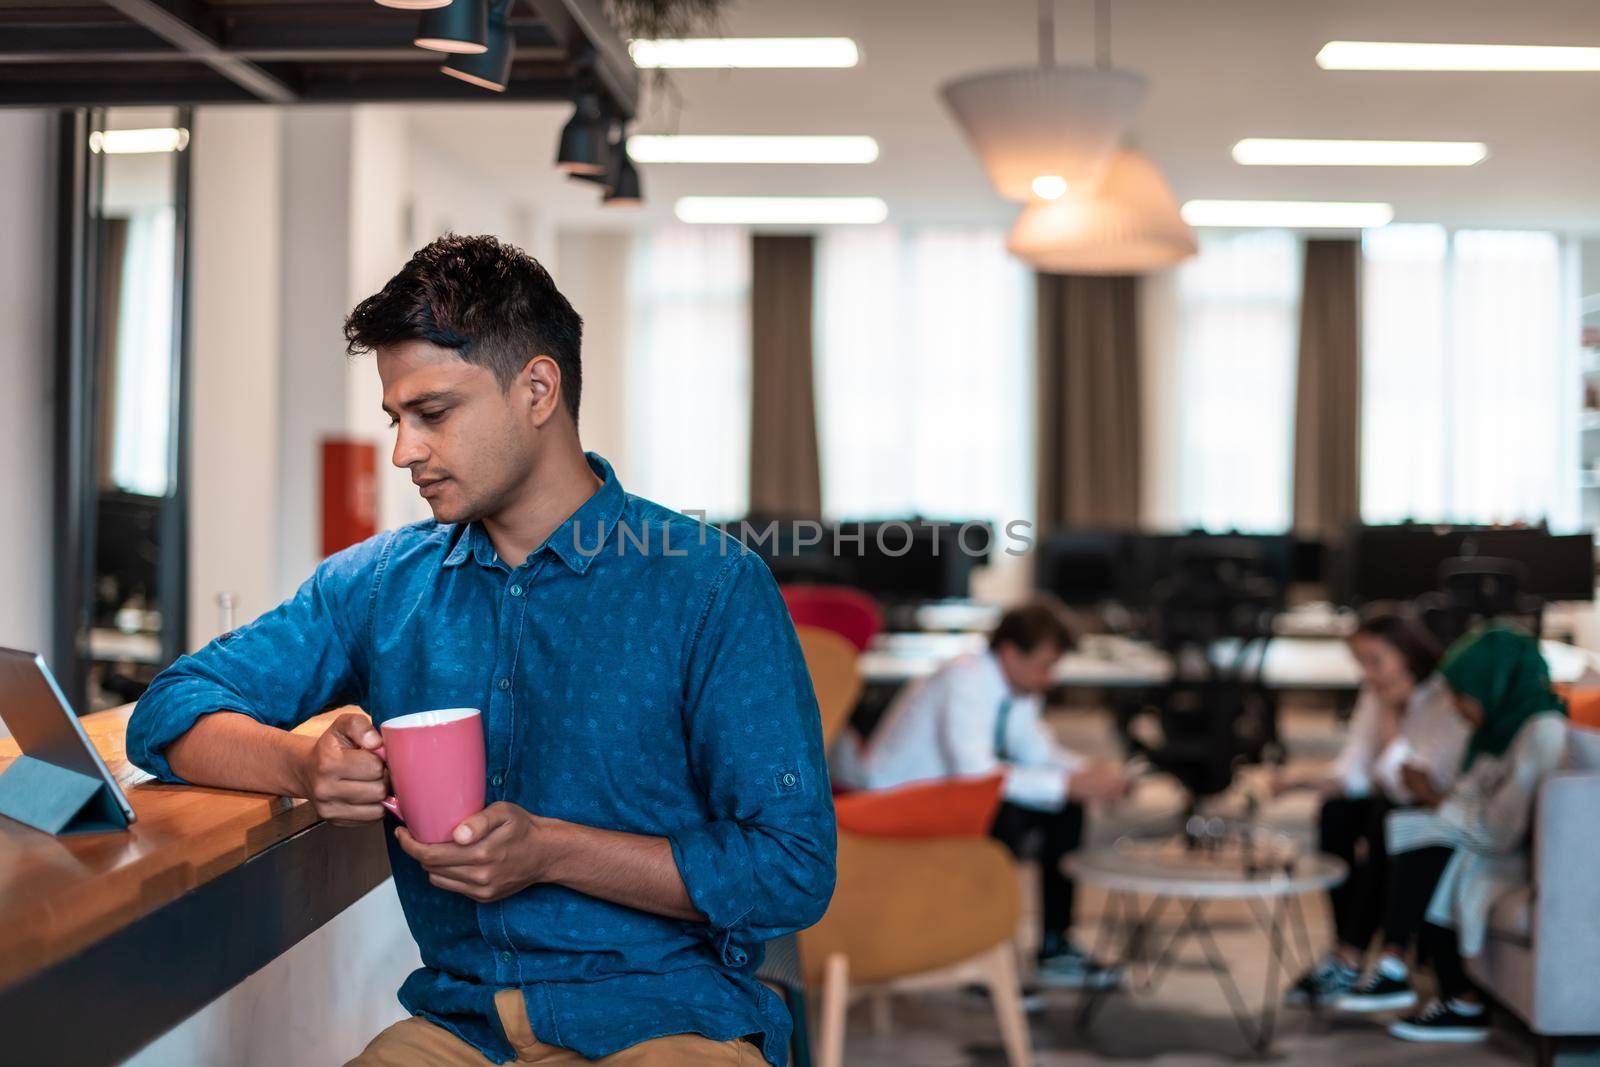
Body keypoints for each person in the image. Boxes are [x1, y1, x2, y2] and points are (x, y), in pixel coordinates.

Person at [125, 235, 836, 1067]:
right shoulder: (382, 581)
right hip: (462, 1030)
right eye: (396, 419)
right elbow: (169, 709)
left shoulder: (712, 586)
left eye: (433, 413)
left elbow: (792, 869)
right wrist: (302, 766)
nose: (404, 452)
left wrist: (552, 850)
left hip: (671, 1022)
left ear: (538, 388)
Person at [849, 600, 1129, 989]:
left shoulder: (1019, 688)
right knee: (1008, 813)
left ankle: (1054, 945)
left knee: (1064, 806)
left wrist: (1087, 774)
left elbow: (1039, 752)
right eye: (1045, 665)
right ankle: (981, 951)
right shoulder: (964, 679)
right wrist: (1066, 783)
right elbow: (975, 773)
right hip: (897, 799)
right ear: (1011, 653)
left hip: (948, 797)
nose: (1050, 679)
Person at [1341, 624, 1568, 1043]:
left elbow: (1502, 829)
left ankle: (1407, 969)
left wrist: (1437, 801)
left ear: (1493, 685)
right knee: (1404, 826)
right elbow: (1473, 796)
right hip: (1487, 841)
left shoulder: (1542, 732)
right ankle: (1417, 976)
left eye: (1463, 695)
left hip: (1515, 855)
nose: (1457, 708)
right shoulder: (1500, 727)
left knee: (1426, 843)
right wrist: (1435, 796)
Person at [1278, 606, 1470, 1006]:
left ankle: (1355, 956)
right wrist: (1302, 780)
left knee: (1387, 818)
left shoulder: (1443, 697)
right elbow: (1356, 772)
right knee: (1335, 812)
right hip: (1393, 802)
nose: (1367, 673)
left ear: (1406, 654)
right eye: (1361, 662)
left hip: (1428, 810)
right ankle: (1345, 952)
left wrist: (1390, 717)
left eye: (1375, 661)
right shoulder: (1376, 691)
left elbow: (1410, 785)